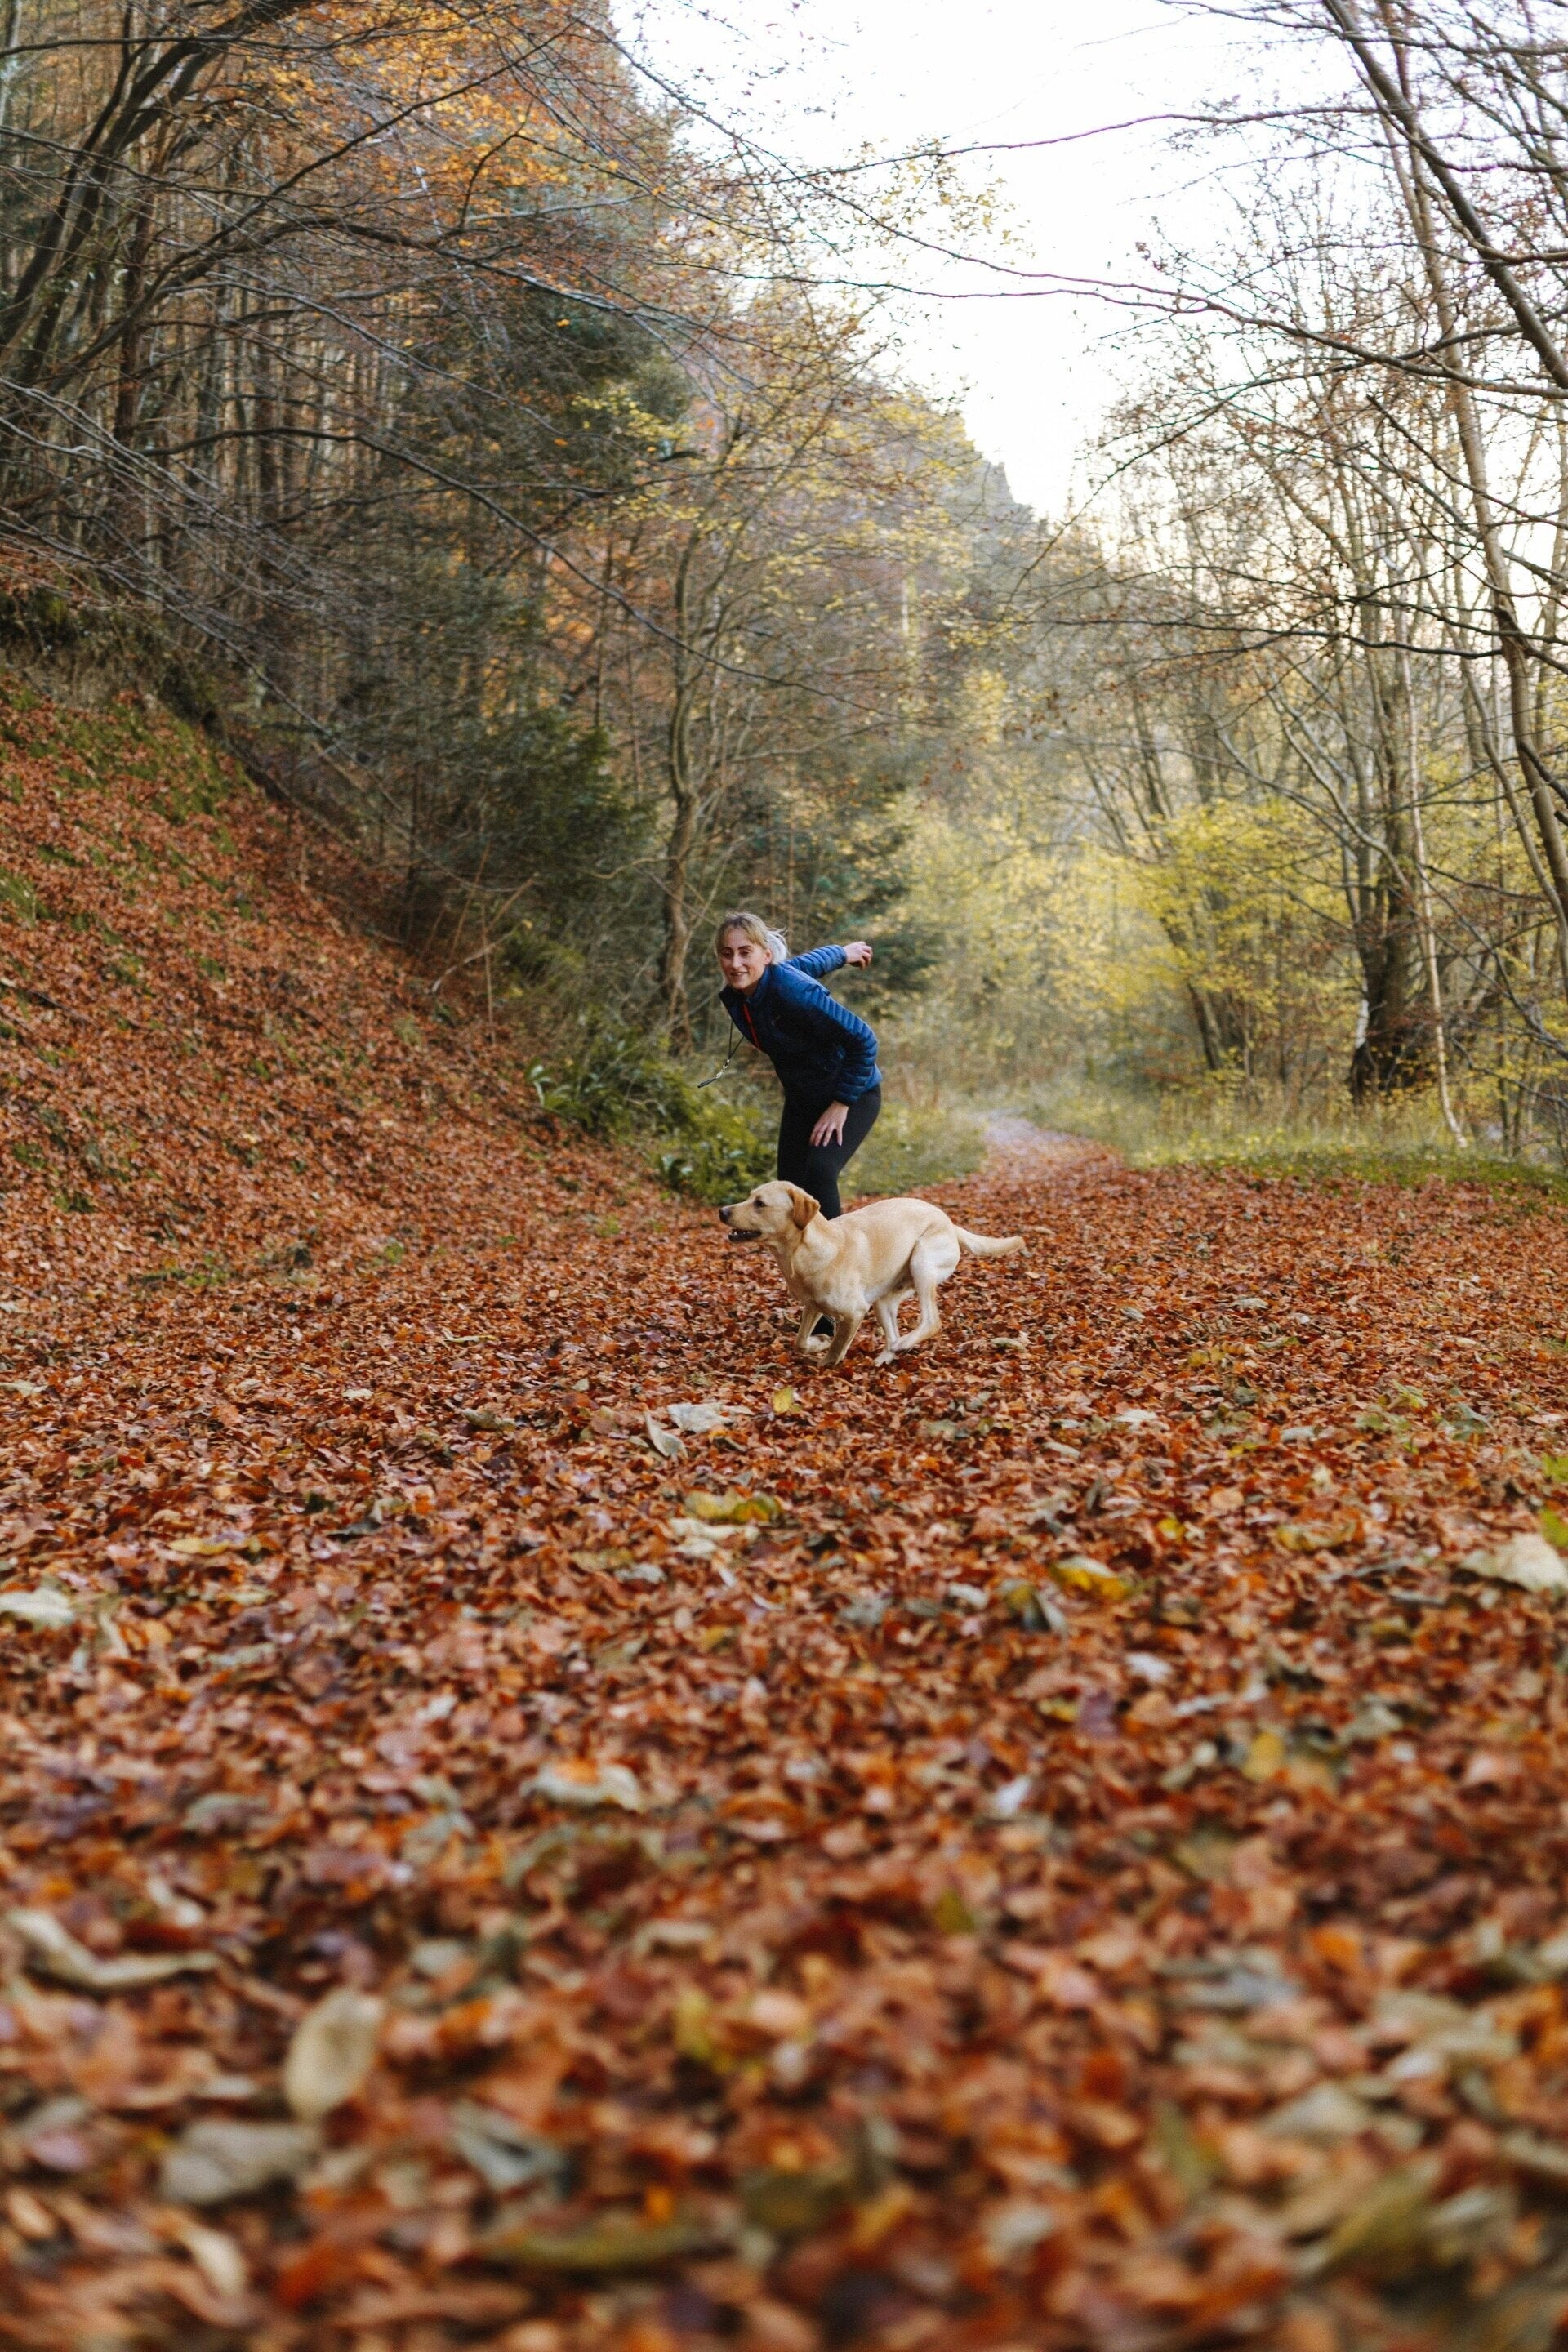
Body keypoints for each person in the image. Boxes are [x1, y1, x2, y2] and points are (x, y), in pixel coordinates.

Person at [715, 911, 881, 1218]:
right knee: (788, 1187)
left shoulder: (796, 993)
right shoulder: (744, 994)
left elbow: (864, 1040)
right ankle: (800, 1265)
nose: (735, 964)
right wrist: (843, 953)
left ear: (766, 955)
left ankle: (837, 1261)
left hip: (852, 1092)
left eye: (744, 952)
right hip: (802, 1096)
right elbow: (806, 964)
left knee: (820, 1172)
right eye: (727, 954)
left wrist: (841, 1103)